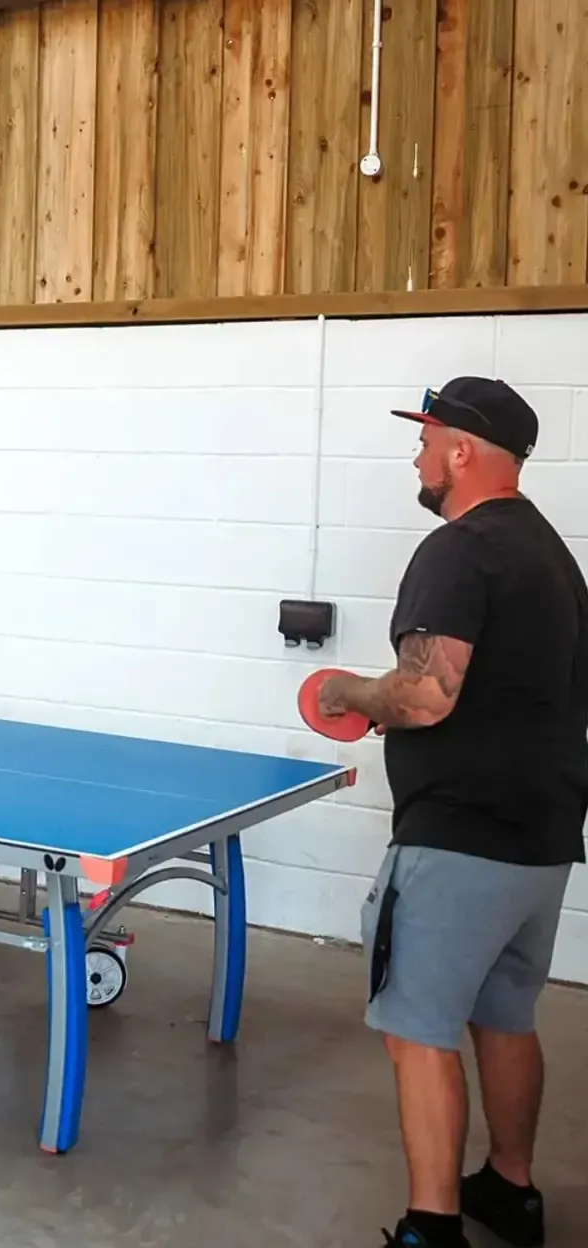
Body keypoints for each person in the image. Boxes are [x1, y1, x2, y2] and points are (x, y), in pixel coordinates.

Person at [313, 377, 588, 1248]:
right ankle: (510, 1190)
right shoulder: (554, 558)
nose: (419, 455)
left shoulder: (460, 551)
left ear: (463, 451)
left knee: (416, 1029)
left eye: (427, 439)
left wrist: (346, 691)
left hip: (458, 838)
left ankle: (430, 1228)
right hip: (542, 840)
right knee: (505, 1014)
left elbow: (427, 694)